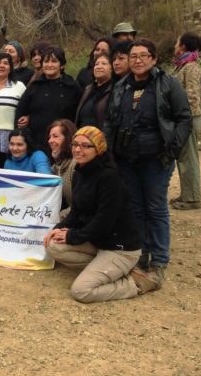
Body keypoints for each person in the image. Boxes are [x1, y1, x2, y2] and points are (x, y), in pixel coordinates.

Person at [104, 39, 192, 286]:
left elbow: (184, 118)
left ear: (154, 59)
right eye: (133, 56)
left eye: (144, 55)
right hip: (126, 158)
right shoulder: (122, 86)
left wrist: (172, 149)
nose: (138, 60)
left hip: (156, 158)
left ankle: (160, 260)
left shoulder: (167, 85)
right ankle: (140, 256)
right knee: (136, 208)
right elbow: (111, 120)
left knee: (156, 208)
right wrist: (110, 151)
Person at [44, 127, 160, 303]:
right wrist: (57, 229)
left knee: (81, 291)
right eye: (75, 144)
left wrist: (72, 235)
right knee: (52, 244)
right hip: (98, 242)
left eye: (85, 146)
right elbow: (76, 212)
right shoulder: (80, 173)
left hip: (120, 248)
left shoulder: (110, 177)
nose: (77, 149)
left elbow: (103, 222)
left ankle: (136, 283)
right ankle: (108, 270)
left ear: (98, 149)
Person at [16, 46, 82, 150]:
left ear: (61, 65)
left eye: (54, 61)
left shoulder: (72, 87)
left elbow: (79, 115)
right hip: (35, 144)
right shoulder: (35, 86)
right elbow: (21, 111)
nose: (49, 65)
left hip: (64, 145)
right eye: (46, 61)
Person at [171, 32, 201, 210]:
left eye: (177, 43)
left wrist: (183, 116)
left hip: (189, 118)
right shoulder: (184, 65)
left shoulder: (192, 66)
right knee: (184, 157)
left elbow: (192, 95)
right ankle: (187, 194)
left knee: (189, 157)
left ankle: (192, 198)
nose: (175, 46)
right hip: (185, 118)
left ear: (183, 46)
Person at [46, 119, 77, 216]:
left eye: (55, 136)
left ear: (68, 139)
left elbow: (80, 205)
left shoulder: (75, 165)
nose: (50, 140)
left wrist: (57, 219)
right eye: (49, 137)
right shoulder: (55, 167)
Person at [75, 52, 113, 130]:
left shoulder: (115, 90)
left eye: (104, 64)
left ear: (112, 68)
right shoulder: (88, 89)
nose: (99, 66)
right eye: (96, 64)